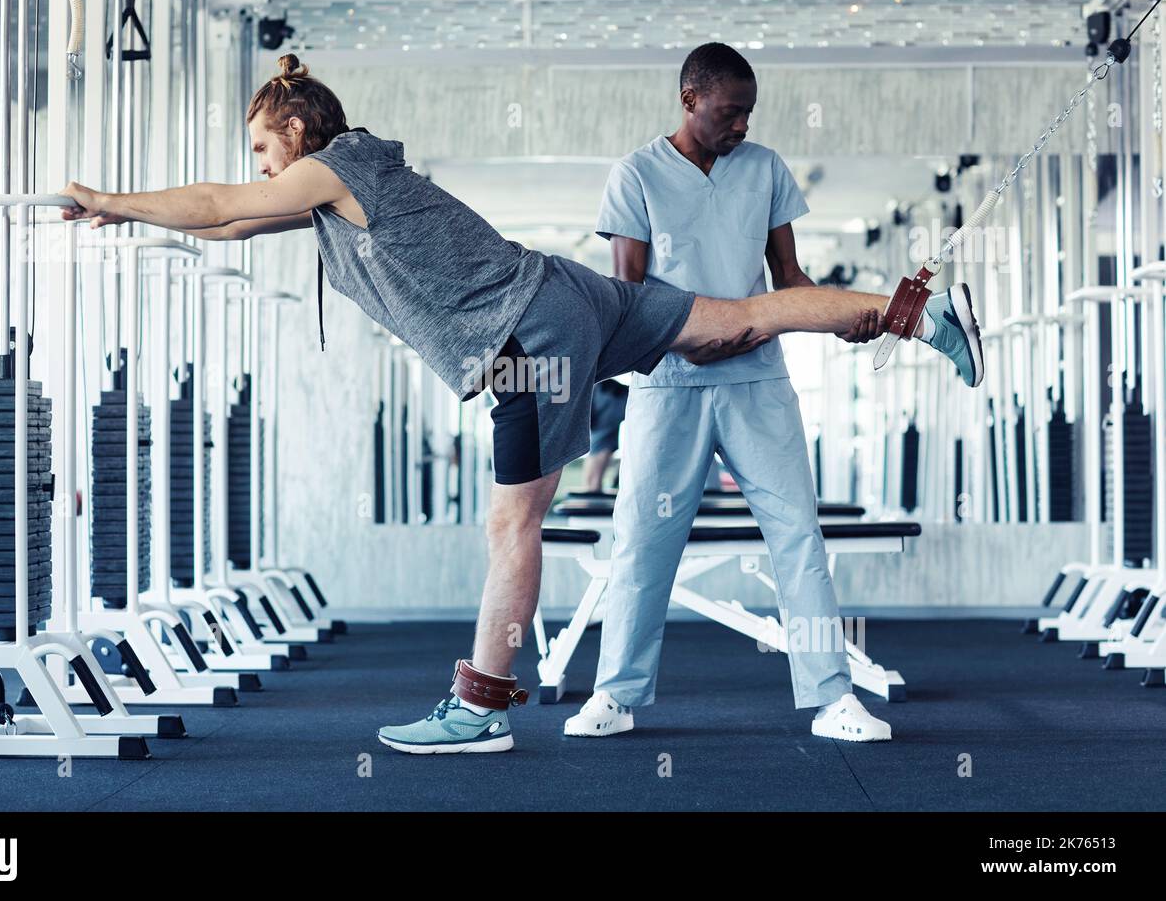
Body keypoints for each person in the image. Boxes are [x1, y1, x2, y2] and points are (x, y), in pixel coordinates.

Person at [61, 53, 984, 755]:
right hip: (566, 299)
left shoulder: (338, 165)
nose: (257, 168)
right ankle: (913, 311)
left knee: (514, 525)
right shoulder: (324, 195)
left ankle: (482, 705)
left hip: (526, 341)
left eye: (262, 148)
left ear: (296, 133)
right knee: (736, 319)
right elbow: (230, 215)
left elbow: (220, 200)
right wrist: (127, 216)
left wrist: (106, 194)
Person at [564, 42, 903, 745]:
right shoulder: (636, 175)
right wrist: (685, 339)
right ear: (690, 100)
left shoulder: (766, 168)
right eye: (730, 112)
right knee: (643, 541)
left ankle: (832, 697)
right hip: (668, 386)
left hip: (758, 382)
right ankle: (615, 695)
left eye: (749, 113)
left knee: (799, 537)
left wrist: (843, 321)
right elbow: (629, 298)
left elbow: (789, 278)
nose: (742, 125)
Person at [581, 379, 629, 494]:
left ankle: (593, 487)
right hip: (604, 392)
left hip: (606, 393)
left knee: (600, 442)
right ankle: (593, 487)